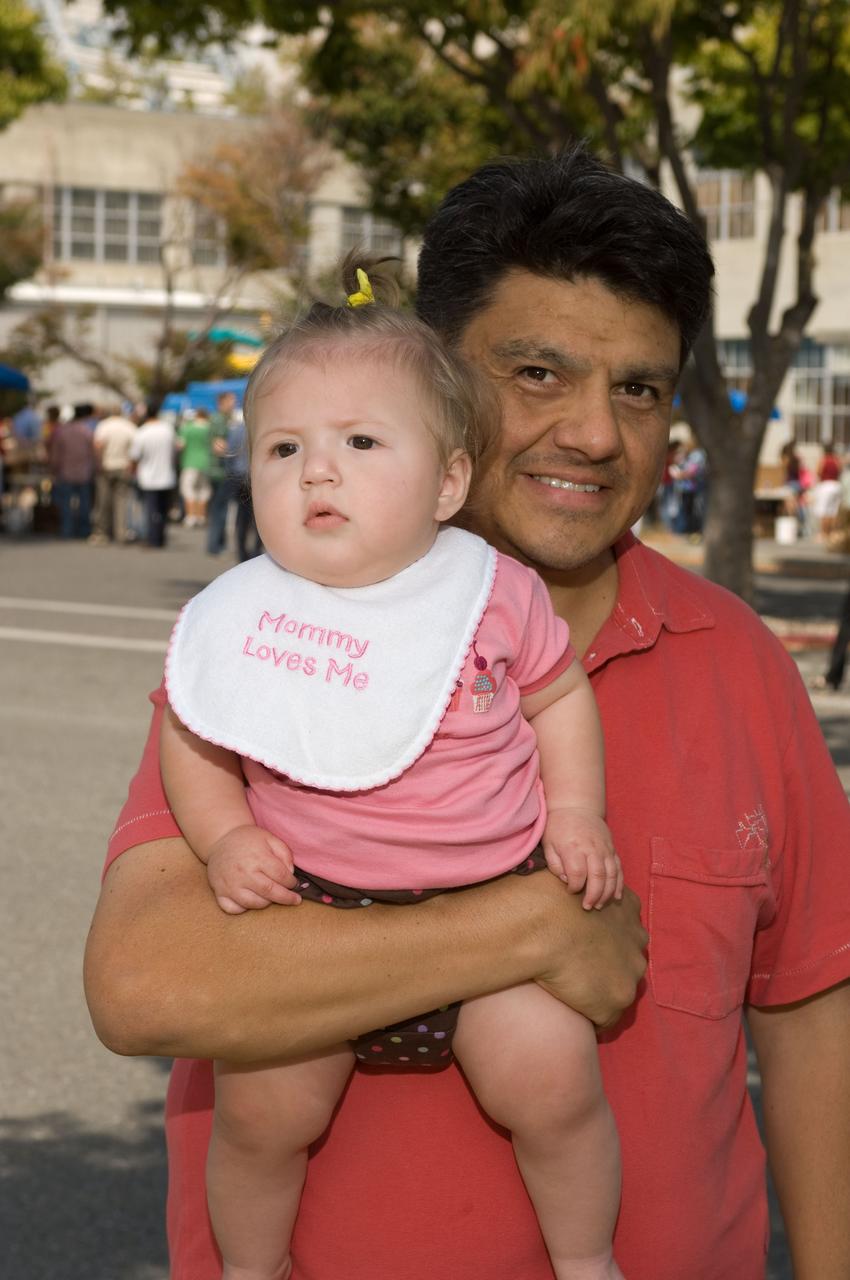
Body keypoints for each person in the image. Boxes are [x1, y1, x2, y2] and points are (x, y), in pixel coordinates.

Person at [85, 149, 850, 1280]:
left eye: (639, 390)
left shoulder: (742, 662)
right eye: (538, 373)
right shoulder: (286, 633)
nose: (596, 433)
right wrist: (532, 929)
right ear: (436, 380)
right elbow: (145, 984)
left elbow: (810, 1014)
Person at [161, 264, 625, 1280]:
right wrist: (226, 836)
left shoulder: (491, 594)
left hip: (494, 910)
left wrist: (577, 811)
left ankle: (586, 1257)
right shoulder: (246, 618)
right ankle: (250, 1265)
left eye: (361, 443)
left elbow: (557, 698)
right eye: (284, 448)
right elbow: (195, 740)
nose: (316, 473)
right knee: (260, 1115)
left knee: (555, 1086)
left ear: (449, 482)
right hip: (311, 924)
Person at [129, 403, 176, 548]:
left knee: (150, 510)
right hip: (167, 476)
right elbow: (175, 450)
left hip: (148, 477)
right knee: (163, 510)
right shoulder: (168, 429)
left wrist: (132, 471)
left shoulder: (142, 432)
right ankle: (160, 537)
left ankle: (152, 539)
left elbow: (134, 456)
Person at [89, 405, 137, 545]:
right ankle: (121, 533)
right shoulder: (129, 426)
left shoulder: (104, 425)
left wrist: (99, 462)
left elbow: (98, 445)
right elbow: (135, 448)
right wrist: (132, 465)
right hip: (124, 466)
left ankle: (101, 533)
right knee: (121, 501)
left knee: (103, 501)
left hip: (106, 465)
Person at [48, 404, 96, 539]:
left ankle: (67, 530)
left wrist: (53, 468)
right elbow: (93, 452)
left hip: (66, 472)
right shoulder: (86, 431)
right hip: (84, 472)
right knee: (84, 504)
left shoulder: (62, 432)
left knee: (66, 504)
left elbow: (55, 454)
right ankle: (84, 530)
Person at [223, 409, 262, 561]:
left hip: (239, 476)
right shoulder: (260, 430)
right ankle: (257, 550)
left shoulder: (235, 431)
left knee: (241, 516)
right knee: (259, 516)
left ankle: (241, 551)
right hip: (257, 477)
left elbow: (229, 455)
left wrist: (230, 474)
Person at [206, 391, 238, 554]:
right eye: (231, 401)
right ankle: (215, 545)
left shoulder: (220, 418)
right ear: (222, 402)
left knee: (219, 508)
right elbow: (218, 446)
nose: (234, 404)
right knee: (220, 509)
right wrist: (236, 451)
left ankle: (216, 544)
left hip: (218, 470)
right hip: (220, 470)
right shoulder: (219, 420)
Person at [176, 407, 213, 528]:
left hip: (190, 462)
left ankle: (191, 516)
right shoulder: (210, 428)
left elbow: (180, 445)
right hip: (206, 462)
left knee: (187, 489)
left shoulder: (188, 428)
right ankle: (201, 516)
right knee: (203, 490)